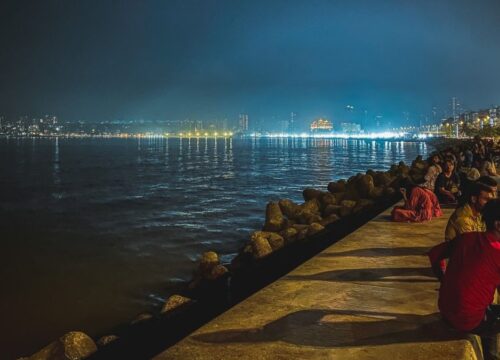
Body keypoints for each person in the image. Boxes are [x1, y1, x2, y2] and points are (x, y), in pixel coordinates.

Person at [428, 199, 500, 358]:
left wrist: (443, 278)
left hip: (445, 310)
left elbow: (434, 254)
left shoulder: (466, 238)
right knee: (492, 327)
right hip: (468, 320)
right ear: (498, 225)